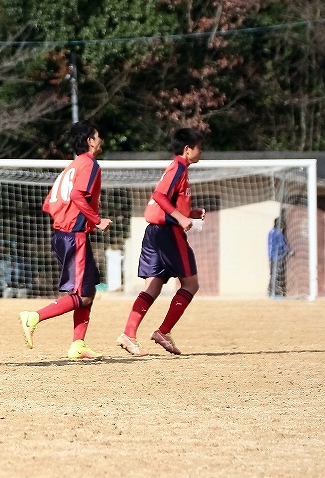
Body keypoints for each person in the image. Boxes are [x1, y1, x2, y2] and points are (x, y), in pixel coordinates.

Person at [19, 121, 111, 360]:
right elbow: (77, 194)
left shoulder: (70, 167)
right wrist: (96, 220)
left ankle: (78, 344)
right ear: (90, 141)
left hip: (63, 234)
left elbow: (48, 203)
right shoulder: (89, 164)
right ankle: (34, 317)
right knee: (82, 294)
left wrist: (68, 218)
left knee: (88, 291)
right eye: (98, 135)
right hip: (74, 235)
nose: (101, 140)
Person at [117, 128, 206, 356]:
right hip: (168, 234)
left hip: (155, 232)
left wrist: (190, 213)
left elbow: (168, 201)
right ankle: (163, 331)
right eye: (199, 147)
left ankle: (128, 334)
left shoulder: (177, 168)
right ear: (187, 150)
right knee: (191, 284)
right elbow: (159, 196)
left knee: (153, 286)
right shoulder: (178, 167)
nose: (201, 151)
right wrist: (180, 218)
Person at [268, 217, 291, 299]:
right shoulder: (278, 233)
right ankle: (276, 291)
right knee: (278, 274)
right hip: (278, 256)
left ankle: (270, 291)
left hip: (271, 256)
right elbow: (282, 244)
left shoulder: (270, 232)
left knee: (272, 273)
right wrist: (289, 251)